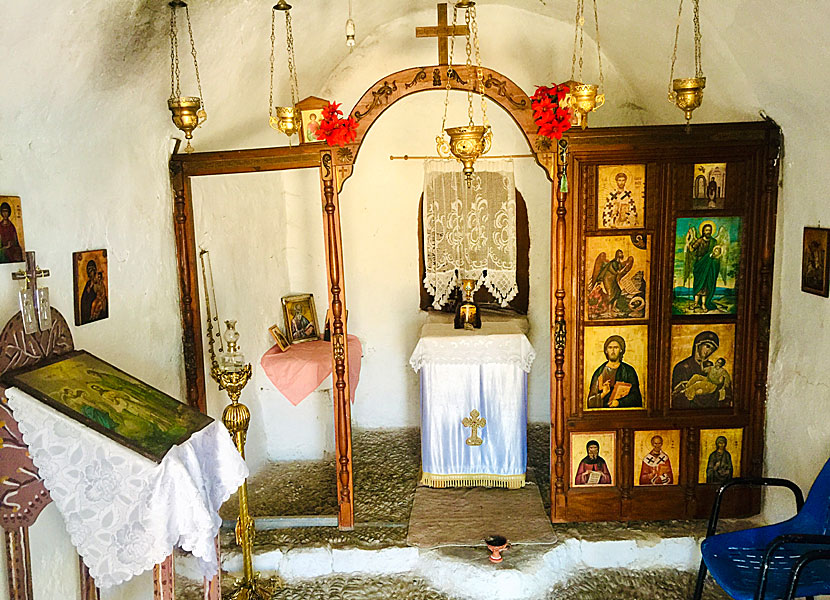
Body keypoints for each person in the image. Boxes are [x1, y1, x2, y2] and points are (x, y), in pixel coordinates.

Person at [671, 330, 726, 408]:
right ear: (698, 345)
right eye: (707, 346)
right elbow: (677, 397)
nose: (709, 351)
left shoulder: (711, 366)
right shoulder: (682, 367)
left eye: (712, 349)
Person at [586, 335, 642, 408]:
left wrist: (619, 403)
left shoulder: (629, 371)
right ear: (606, 350)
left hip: (623, 414)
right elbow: (590, 401)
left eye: (616, 347)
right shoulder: (599, 372)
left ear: (621, 350)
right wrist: (603, 394)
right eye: (610, 348)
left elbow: (636, 398)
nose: (612, 351)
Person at [587, 249, 634, 318]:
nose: (621, 255)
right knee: (610, 294)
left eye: (622, 253)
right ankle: (608, 310)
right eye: (620, 254)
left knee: (618, 291)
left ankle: (613, 308)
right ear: (617, 255)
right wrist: (619, 272)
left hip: (613, 280)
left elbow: (621, 268)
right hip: (607, 279)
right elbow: (612, 270)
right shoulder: (613, 263)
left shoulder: (618, 263)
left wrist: (627, 264)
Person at [687, 223, 721, 311]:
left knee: (705, 285)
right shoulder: (699, 241)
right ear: (703, 231)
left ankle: (703, 304)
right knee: (698, 283)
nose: (708, 232)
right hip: (700, 265)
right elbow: (691, 249)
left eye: (709, 230)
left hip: (709, 265)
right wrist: (688, 241)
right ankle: (695, 303)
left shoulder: (713, 242)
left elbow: (717, 253)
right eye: (706, 230)